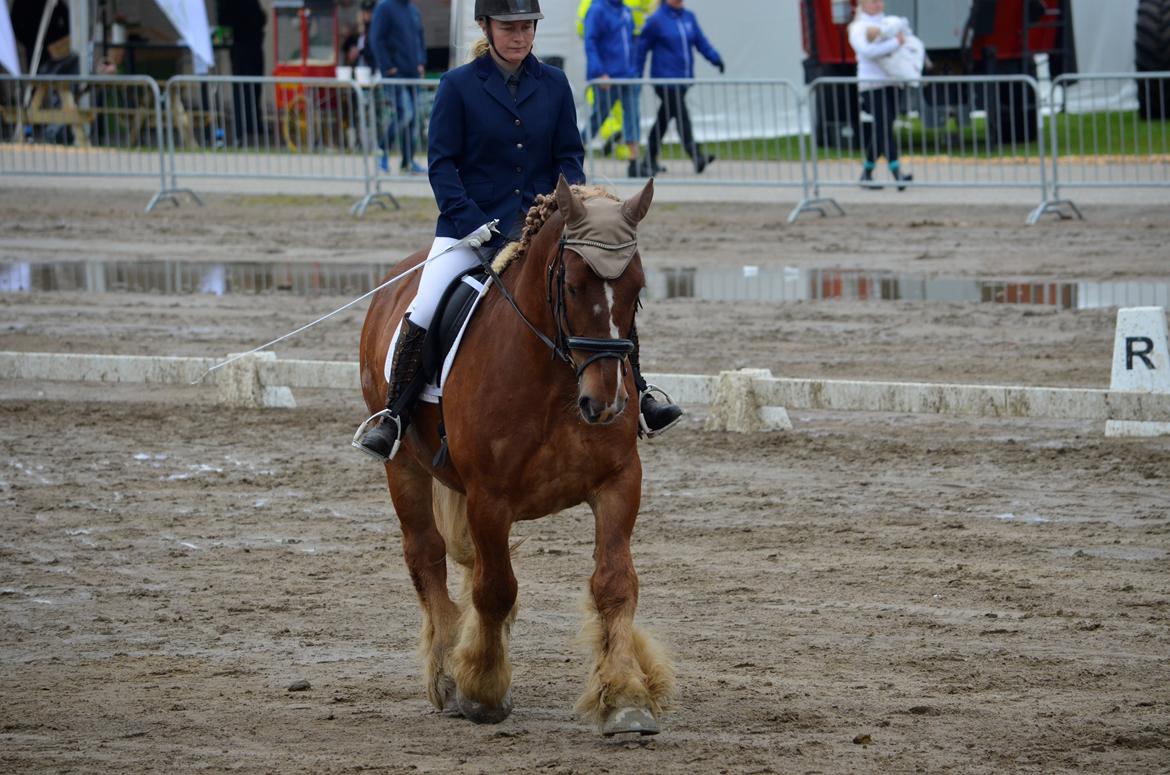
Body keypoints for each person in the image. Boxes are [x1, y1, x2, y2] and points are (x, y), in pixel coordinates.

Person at [356, 0, 682, 461]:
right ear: (486, 27)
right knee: (426, 307)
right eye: (509, 27)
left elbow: (570, 157)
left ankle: (642, 394)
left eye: (527, 27)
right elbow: (442, 166)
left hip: (540, 228)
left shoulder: (553, 84)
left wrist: (558, 208)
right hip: (470, 229)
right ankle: (395, 414)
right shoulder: (458, 86)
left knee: (602, 290)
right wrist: (471, 223)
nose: (519, 36)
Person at [637, 0, 723, 175]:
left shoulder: (689, 17)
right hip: (665, 80)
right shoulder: (657, 20)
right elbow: (641, 48)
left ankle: (648, 159)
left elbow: (701, 42)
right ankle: (695, 154)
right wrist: (635, 74)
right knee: (681, 115)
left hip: (683, 80)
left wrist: (715, 58)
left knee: (664, 117)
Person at [848, 0, 913, 190]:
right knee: (884, 125)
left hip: (892, 81)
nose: (877, 4)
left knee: (883, 127)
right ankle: (897, 172)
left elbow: (907, 38)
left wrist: (899, 41)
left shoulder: (890, 22)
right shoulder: (858, 27)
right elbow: (867, 51)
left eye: (879, 0)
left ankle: (867, 172)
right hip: (871, 84)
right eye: (872, 1)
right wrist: (895, 42)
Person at [582, 0, 651, 178]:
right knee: (599, 116)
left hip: (627, 76)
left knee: (632, 114)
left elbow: (632, 40)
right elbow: (591, 42)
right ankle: (574, 150)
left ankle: (634, 163)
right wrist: (599, 72)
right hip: (607, 77)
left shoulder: (625, 10)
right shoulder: (597, 9)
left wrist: (635, 69)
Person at [370, 0, 427, 174]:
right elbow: (376, 38)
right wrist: (387, 67)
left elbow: (420, 39)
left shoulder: (413, 10)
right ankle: (381, 150)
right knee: (405, 114)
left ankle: (407, 162)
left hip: (413, 74)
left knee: (413, 119)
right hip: (395, 74)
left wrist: (421, 62)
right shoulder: (385, 7)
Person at [218, 0, 266, 146]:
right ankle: (244, 127)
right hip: (245, 44)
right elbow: (260, 18)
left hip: (245, 44)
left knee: (250, 87)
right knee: (247, 88)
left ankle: (250, 125)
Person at [342, 0, 379, 73]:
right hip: (357, 70)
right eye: (365, 12)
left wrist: (359, 51)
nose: (368, 14)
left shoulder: (376, 29)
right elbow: (345, 48)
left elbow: (374, 50)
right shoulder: (356, 31)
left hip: (372, 69)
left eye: (370, 12)